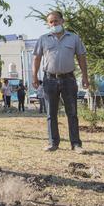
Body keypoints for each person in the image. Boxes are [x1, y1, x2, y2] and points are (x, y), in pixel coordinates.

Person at [33, 11, 89, 154]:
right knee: (51, 113)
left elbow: (81, 57)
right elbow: (37, 58)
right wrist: (34, 76)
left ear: (62, 21)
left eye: (56, 21)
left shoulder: (74, 38)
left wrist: (84, 76)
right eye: (51, 22)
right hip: (49, 79)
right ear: (48, 24)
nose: (54, 24)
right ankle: (53, 142)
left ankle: (76, 144)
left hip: (68, 79)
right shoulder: (43, 39)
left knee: (72, 112)